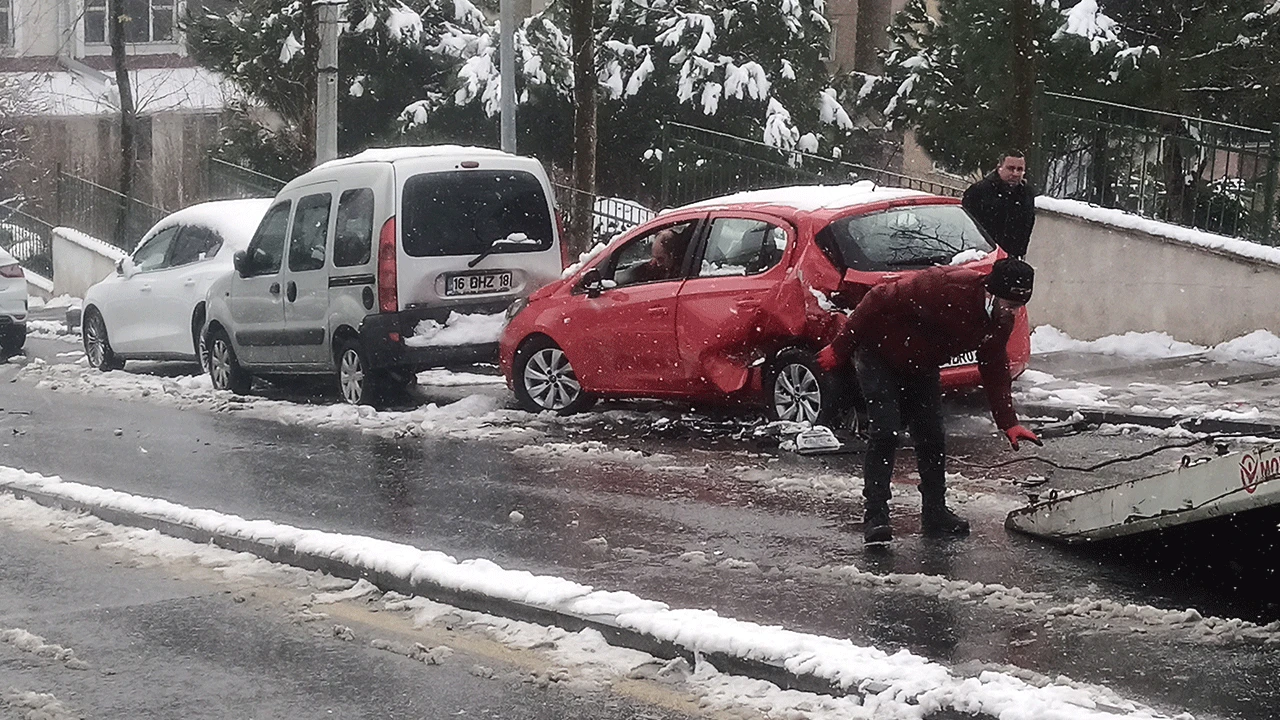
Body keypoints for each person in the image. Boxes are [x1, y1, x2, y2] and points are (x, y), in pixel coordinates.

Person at [815, 258, 1041, 544]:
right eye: (1009, 304)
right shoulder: (945, 286)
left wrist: (1009, 422)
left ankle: (935, 512)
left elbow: (994, 364)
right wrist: (840, 347)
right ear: (991, 292)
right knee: (885, 432)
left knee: (932, 435)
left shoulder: (1001, 319)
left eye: (1018, 306)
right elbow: (877, 297)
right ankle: (876, 516)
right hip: (878, 353)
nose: (1012, 312)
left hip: (922, 364)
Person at [962, 151, 1036, 258]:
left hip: (1012, 258)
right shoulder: (979, 191)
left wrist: (1020, 253)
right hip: (983, 256)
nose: (1015, 173)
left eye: (1019, 169)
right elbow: (967, 226)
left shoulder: (1027, 193)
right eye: (1010, 168)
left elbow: (1027, 225)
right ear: (999, 167)